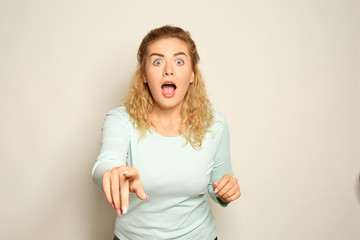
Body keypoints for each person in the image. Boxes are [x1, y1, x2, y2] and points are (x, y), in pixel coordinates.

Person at [92, 25, 241, 240]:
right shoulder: (120, 119)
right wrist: (113, 173)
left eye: (179, 61)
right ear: (144, 75)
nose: (168, 70)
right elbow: (104, 165)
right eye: (157, 61)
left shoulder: (215, 123)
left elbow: (219, 185)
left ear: (192, 74)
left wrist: (227, 191)